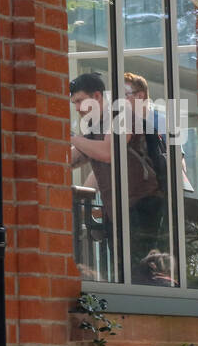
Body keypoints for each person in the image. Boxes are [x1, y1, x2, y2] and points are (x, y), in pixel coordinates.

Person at [69, 72, 171, 284]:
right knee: (123, 272)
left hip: (141, 205)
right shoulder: (95, 127)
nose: (77, 108)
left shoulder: (121, 116)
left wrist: (71, 137)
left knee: (140, 272)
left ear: (96, 96)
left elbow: (107, 152)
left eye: (79, 101)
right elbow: (74, 156)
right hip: (117, 210)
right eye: (74, 103)